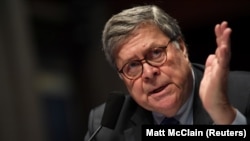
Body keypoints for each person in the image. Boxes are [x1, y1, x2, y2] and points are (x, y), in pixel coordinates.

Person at [84, 4, 250, 141]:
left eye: (156, 53)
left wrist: (225, 117)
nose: (148, 73)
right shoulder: (106, 125)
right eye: (132, 65)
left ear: (182, 47)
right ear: (122, 77)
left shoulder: (244, 92)